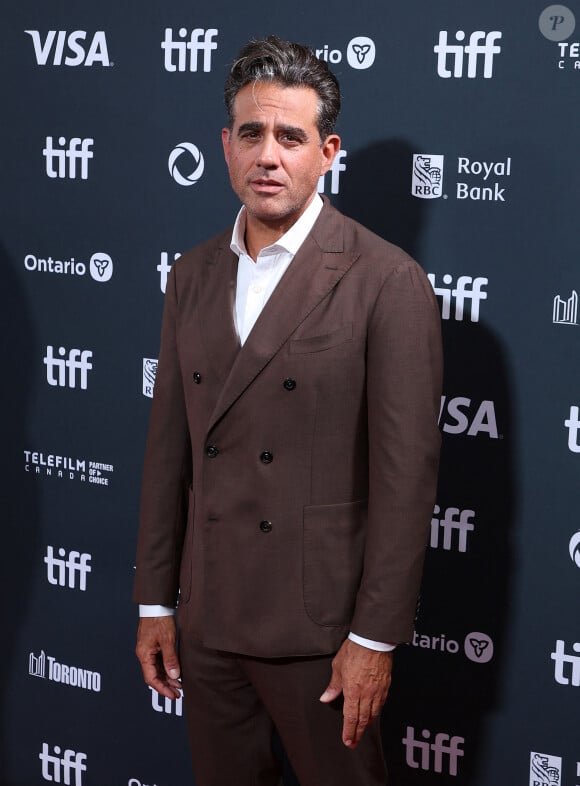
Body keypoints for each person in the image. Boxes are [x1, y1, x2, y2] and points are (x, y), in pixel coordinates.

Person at [134, 35, 442, 786]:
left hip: (322, 633)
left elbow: (406, 482)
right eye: (251, 134)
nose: (268, 156)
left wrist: (374, 636)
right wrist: (154, 599)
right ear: (225, 146)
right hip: (207, 619)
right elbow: (168, 449)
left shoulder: (386, 279)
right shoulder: (193, 273)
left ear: (327, 150)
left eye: (290, 137)